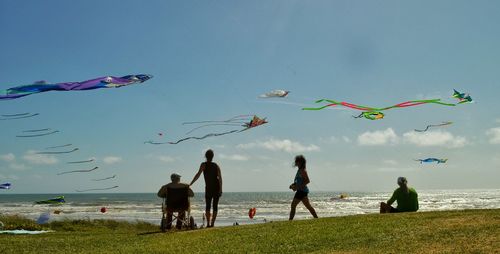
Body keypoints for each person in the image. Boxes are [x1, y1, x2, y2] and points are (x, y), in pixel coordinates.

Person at [189, 149, 222, 227]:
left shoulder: (203, 164)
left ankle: (208, 223)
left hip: (209, 188)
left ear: (205, 156)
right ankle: (212, 223)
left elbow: (198, 174)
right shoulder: (216, 165)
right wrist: (221, 189)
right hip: (216, 187)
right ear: (212, 157)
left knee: (208, 206)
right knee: (215, 206)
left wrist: (191, 183)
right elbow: (220, 178)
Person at [289, 155, 318, 220]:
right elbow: (298, 181)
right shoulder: (299, 170)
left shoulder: (302, 170)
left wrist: (298, 187)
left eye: (297, 161)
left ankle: (290, 220)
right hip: (302, 191)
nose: (295, 162)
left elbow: (307, 181)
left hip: (301, 191)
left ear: (300, 162)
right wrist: (292, 185)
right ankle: (316, 218)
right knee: (308, 206)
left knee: (293, 205)